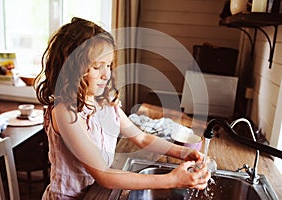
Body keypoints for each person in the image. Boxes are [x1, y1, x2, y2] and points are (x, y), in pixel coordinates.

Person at [35, 17, 211, 199]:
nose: (106, 74)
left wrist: (184, 152)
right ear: (71, 69)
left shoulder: (104, 103)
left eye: (109, 65)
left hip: (96, 193)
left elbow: (141, 138)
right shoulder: (64, 112)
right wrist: (172, 180)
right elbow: (103, 174)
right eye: (97, 67)